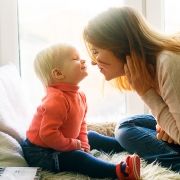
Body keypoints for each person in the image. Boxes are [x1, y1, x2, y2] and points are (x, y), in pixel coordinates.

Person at [21, 42, 140, 180]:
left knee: (91, 136)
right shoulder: (56, 100)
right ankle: (120, 172)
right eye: (75, 59)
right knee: (78, 158)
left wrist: (84, 144)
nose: (83, 60)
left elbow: (81, 124)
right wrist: (72, 145)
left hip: (60, 141)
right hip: (41, 152)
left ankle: (131, 146)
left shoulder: (80, 96)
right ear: (58, 73)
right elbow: (48, 134)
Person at [82, 6, 180, 173]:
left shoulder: (167, 63)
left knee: (125, 131)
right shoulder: (154, 65)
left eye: (96, 52)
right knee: (127, 126)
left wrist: (146, 93)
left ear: (119, 46)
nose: (92, 61)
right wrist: (166, 124)